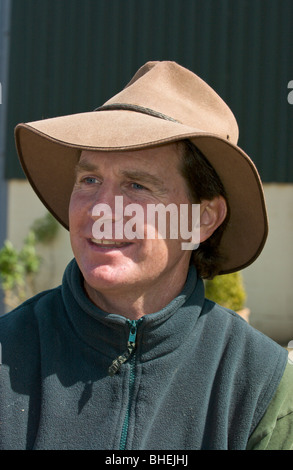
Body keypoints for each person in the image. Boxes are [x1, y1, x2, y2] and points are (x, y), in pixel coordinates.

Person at [0, 61, 292, 450]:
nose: (101, 210)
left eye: (136, 185)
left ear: (203, 219)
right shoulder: (8, 354)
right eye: (89, 180)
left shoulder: (261, 385)